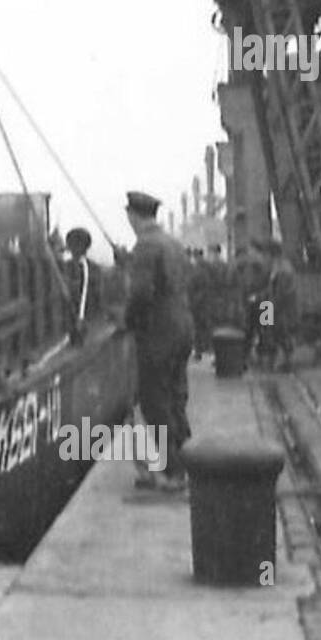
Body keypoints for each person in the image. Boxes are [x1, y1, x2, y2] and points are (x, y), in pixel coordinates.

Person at [123, 190, 193, 492]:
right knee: (175, 399)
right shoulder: (171, 243)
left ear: (132, 216)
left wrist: (128, 321)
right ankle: (190, 463)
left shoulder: (146, 246)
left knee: (154, 403)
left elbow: (140, 294)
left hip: (158, 333)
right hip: (182, 327)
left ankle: (173, 472)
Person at [259, 238, 299, 370]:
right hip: (272, 307)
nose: (264, 258)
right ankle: (271, 361)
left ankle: (286, 362)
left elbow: (281, 294)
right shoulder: (277, 267)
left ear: (272, 254)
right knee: (270, 333)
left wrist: (268, 309)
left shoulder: (283, 269)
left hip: (281, 310)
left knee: (282, 334)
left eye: (266, 254)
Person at [63, 226, 101, 341]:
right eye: (72, 244)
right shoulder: (64, 267)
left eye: (77, 244)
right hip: (68, 319)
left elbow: (96, 294)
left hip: (86, 318)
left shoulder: (91, 269)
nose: (75, 248)